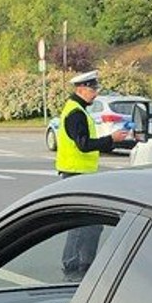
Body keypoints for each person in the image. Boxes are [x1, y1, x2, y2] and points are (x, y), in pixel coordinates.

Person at [54, 70, 130, 278]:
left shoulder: (78, 109)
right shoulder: (75, 112)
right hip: (76, 173)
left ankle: (85, 264)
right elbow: (84, 145)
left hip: (82, 173)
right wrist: (111, 139)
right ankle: (73, 266)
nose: (95, 93)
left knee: (91, 225)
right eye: (92, 89)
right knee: (81, 225)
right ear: (80, 89)